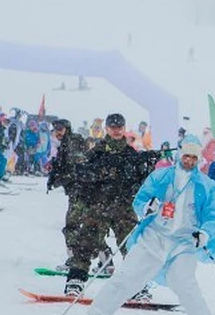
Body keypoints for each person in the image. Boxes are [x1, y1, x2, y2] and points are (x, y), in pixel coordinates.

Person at [74, 137, 215, 315]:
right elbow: (139, 200)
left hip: (184, 243)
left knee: (185, 282)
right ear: (179, 155)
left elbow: (214, 215)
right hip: (154, 238)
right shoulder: (160, 176)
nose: (190, 160)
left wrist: (204, 233)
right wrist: (147, 206)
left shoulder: (206, 184)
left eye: (194, 157)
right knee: (125, 278)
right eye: (186, 155)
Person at [64, 113, 158, 297]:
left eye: (119, 127)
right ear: (107, 129)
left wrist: (147, 166)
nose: (116, 131)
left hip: (124, 207)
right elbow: (82, 175)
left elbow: (142, 183)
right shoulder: (96, 152)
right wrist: (105, 171)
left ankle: (137, 286)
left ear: (124, 129)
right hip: (99, 206)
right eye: (113, 127)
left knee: (133, 247)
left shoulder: (132, 154)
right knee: (85, 243)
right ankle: (76, 280)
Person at [47, 119, 90, 284]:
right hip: (80, 190)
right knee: (89, 224)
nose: (57, 131)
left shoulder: (71, 143)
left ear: (67, 129)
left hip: (80, 190)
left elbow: (76, 169)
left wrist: (59, 179)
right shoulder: (68, 143)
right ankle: (105, 258)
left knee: (73, 226)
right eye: (55, 129)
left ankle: (74, 259)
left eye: (60, 128)